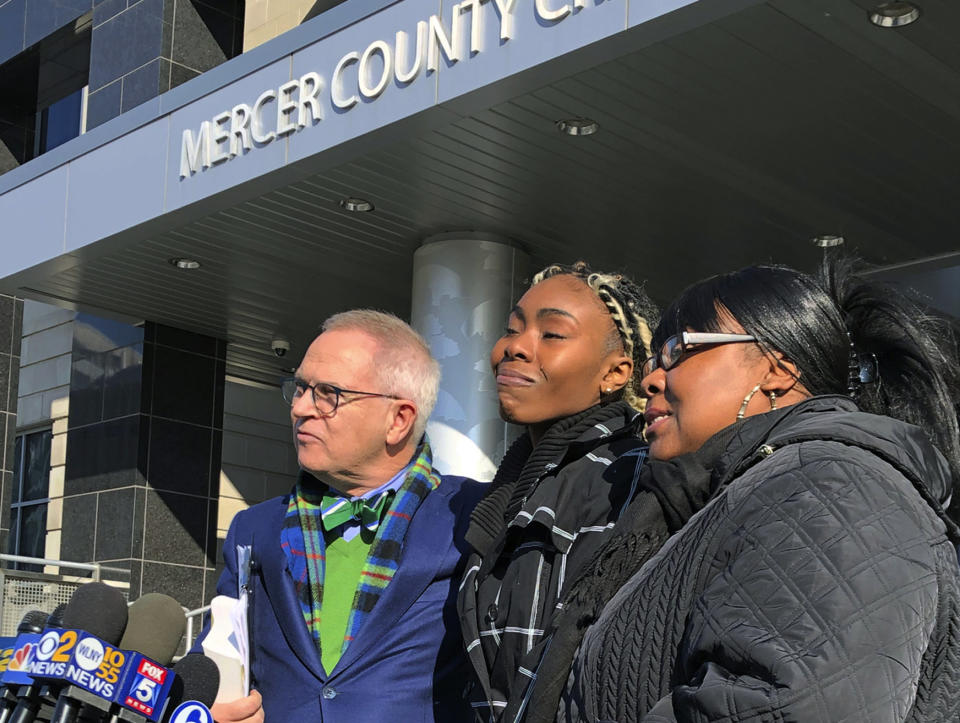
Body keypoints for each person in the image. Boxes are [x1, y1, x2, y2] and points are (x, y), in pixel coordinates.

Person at [548, 259, 960, 722]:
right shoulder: (747, 498)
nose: (650, 379)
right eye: (651, 360)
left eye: (677, 350)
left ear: (776, 369)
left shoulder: (828, 481)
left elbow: (789, 708)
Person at [206, 310, 483, 723]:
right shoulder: (254, 528)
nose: (300, 408)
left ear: (399, 420)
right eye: (299, 388)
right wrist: (212, 706)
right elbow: (215, 657)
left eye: (328, 393)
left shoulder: (473, 515)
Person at [458, 261, 659, 721]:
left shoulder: (628, 481)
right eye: (512, 329)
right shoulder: (510, 490)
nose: (516, 348)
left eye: (552, 334)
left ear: (615, 373)